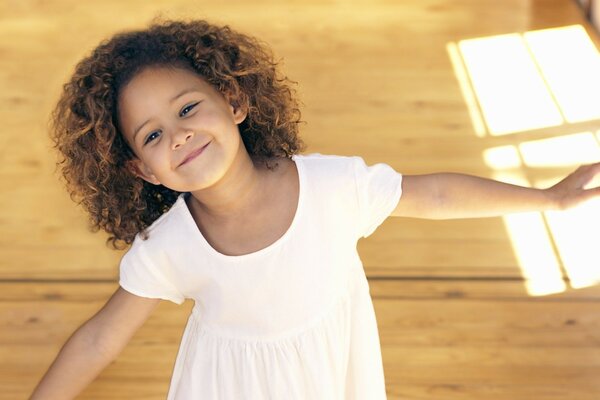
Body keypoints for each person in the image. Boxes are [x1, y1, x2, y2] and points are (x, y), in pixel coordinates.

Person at [30, 17, 600, 400]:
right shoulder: (170, 246)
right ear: (142, 170)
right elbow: (101, 338)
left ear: (234, 101)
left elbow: (433, 193)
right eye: (152, 137)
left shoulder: (330, 185)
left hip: (331, 372)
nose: (178, 136)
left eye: (187, 109)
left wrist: (549, 198)